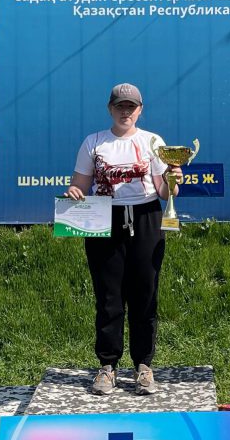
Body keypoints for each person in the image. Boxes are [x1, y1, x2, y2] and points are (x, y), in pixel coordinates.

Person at [66, 83, 182, 396]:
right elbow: (79, 185)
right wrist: (74, 192)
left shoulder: (152, 142)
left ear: (140, 110)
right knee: (108, 296)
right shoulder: (94, 142)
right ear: (110, 109)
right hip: (104, 219)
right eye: (120, 106)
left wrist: (173, 181)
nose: (125, 112)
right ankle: (107, 365)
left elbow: (164, 191)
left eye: (131, 106)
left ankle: (143, 365)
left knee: (145, 293)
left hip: (146, 217)